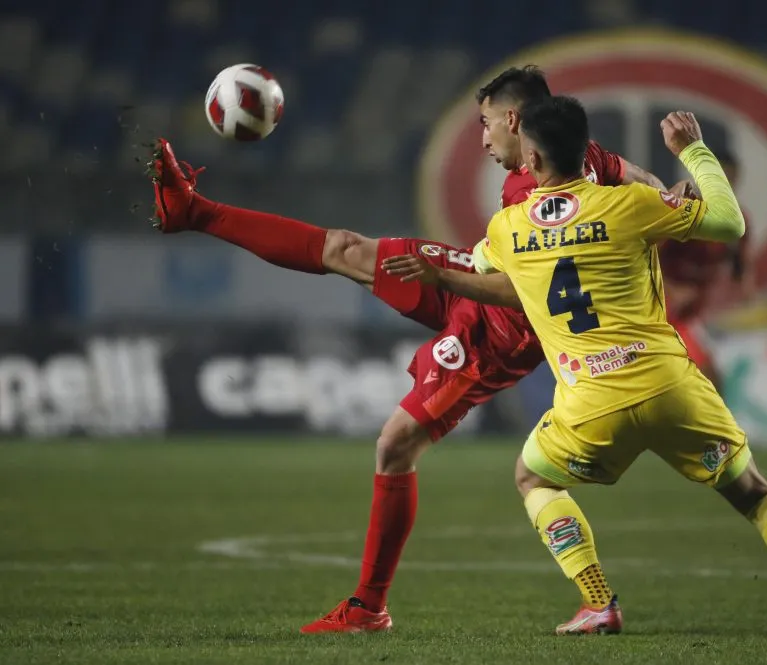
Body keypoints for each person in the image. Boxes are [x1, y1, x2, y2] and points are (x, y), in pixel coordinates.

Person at [145, 66, 668, 633]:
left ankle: (369, 606)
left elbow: (528, 291)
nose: (484, 137)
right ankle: (193, 211)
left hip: (498, 331)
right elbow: (628, 172)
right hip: (480, 277)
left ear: (515, 121)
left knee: (395, 445)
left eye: (487, 123)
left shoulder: (538, 187)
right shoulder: (577, 154)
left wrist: (451, 282)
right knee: (346, 248)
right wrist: (667, 193)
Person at [383, 96, 767, 637]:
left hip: (591, 404)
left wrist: (441, 278)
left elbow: (497, 282)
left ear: (536, 160)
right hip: (670, 385)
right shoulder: (632, 205)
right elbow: (729, 221)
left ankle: (598, 601)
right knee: (754, 494)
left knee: (533, 479)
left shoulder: (507, 228)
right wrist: (693, 153)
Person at [659, 148, 754, 390]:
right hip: (663, 310)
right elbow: (643, 257)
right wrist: (673, 289)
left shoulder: (738, 221)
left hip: (693, 314)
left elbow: (741, 270)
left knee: (708, 382)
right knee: (708, 378)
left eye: (730, 180)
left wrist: (743, 289)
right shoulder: (685, 213)